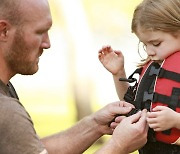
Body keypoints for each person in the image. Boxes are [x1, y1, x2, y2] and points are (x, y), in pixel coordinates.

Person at [0, 0, 148, 153]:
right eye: (39, 32)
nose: (47, 43)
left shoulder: (6, 91)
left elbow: (31, 147)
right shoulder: (6, 110)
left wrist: (96, 124)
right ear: (4, 31)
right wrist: (118, 145)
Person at [98, 0, 180, 153]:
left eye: (156, 43)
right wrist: (118, 73)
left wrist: (176, 120)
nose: (149, 52)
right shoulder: (154, 66)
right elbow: (133, 104)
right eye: (144, 45)